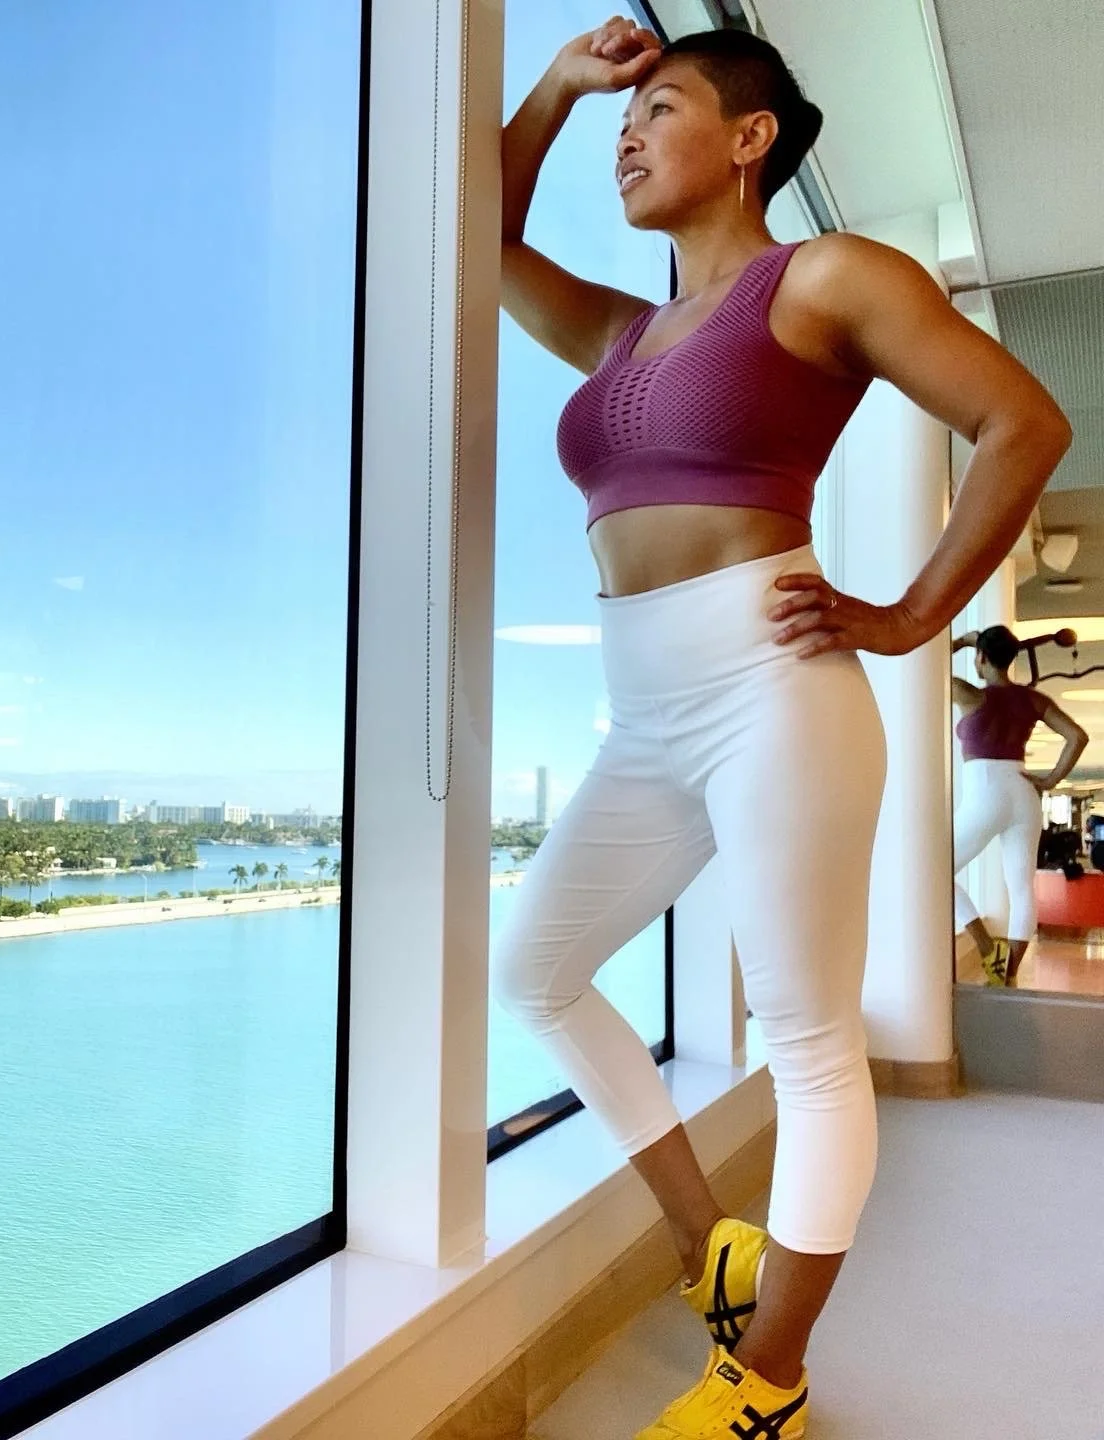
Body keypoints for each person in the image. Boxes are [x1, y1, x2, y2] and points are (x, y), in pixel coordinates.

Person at [495, 18, 1071, 1438]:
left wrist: (911, 614)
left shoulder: (825, 276)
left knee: (810, 1035)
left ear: (751, 139)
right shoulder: (621, 330)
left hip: (772, 687)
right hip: (645, 713)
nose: (629, 137)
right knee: (538, 970)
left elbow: (1023, 423)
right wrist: (563, 85)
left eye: (660, 108)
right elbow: (480, 239)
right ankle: (712, 1248)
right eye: (624, 119)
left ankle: (767, 1382)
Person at [951, 625, 1086, 986]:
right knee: (1022, 888)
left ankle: (984, 946)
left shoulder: (969, 695)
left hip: (986, 793)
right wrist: (1051, 780)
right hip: (1024, 792)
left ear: (980, 657)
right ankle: (1006, 975)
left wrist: (962, 642)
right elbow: (1077, 736)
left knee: (935, 868)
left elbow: (923, 668)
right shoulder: (1033, 700)